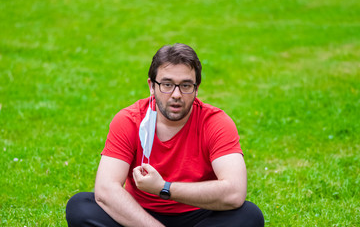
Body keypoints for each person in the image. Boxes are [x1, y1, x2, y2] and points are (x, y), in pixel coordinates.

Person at [66, 43, 264, 227]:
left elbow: (235, 192)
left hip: (200, 214)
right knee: (80, 206)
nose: (176, 94)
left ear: (196, 89)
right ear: (152, 86)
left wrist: (164, 188)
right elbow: (106, 189)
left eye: (186, 85)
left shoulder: (215, 122)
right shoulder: (129, 120)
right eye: (167, 84)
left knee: (249, 215)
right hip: (139, 215)